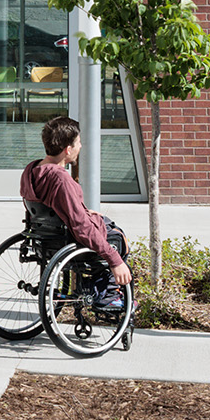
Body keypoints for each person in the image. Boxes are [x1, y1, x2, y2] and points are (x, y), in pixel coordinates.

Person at [19, 117, 131, 296]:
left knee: (101, 220)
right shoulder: (60, 179)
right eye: (78, 142)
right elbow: (81, 226)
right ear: (67, 149)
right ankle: (107, 294)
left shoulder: (31, 170)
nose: (80, 147)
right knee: (117, 237)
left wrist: (85, 212)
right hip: (68, 238)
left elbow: (55, 207)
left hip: (45, 237)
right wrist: (115, 260)